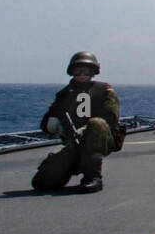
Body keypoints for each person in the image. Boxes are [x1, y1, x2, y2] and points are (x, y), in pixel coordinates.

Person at [32, 51, 123, 193]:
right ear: (71, 72)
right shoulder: (64, 94)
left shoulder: (105, 90)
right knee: (41, 184)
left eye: (86, 71)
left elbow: (111, 118)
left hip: (100, 140)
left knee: (97, 124)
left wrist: (86, 129)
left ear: (93, 72)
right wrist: (55, 126)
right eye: (77, 70)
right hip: (73, 143)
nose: (82, 74)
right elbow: (47, 121)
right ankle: (70, 165)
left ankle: (93, 177)